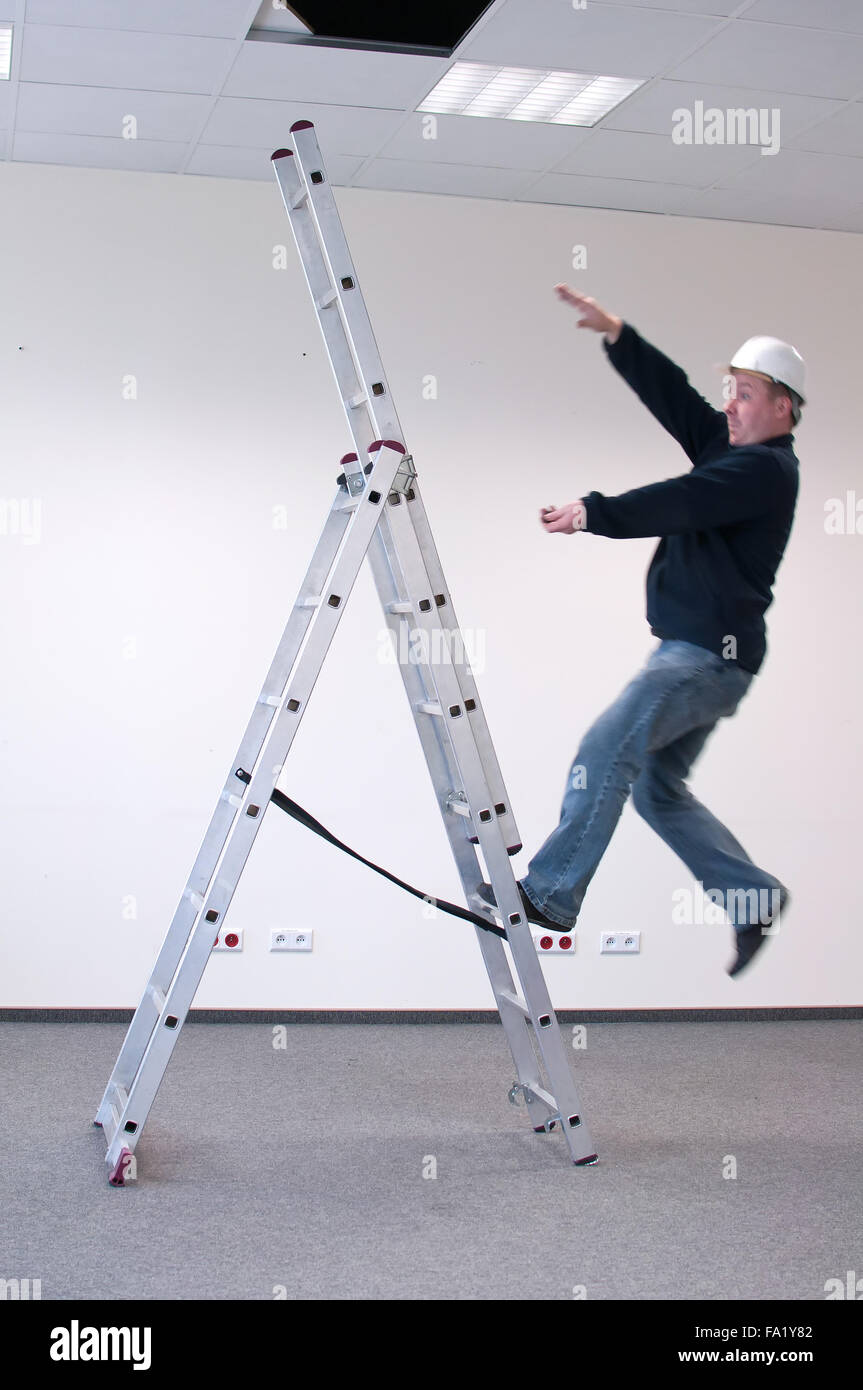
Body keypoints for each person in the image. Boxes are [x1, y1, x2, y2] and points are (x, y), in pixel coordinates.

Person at [477, 287, 804, 977]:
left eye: (745, 393)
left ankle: (550, 892)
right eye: (730, 390)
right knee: (657, 786)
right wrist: (619, 334)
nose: (730, 404)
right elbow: (677, 398)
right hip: (707, 657)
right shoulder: (728, 447)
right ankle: (751, 899)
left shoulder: (764, 470)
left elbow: (683, 501)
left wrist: (592, 512)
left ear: (783, 407)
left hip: (703, 657)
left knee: (606, 746)